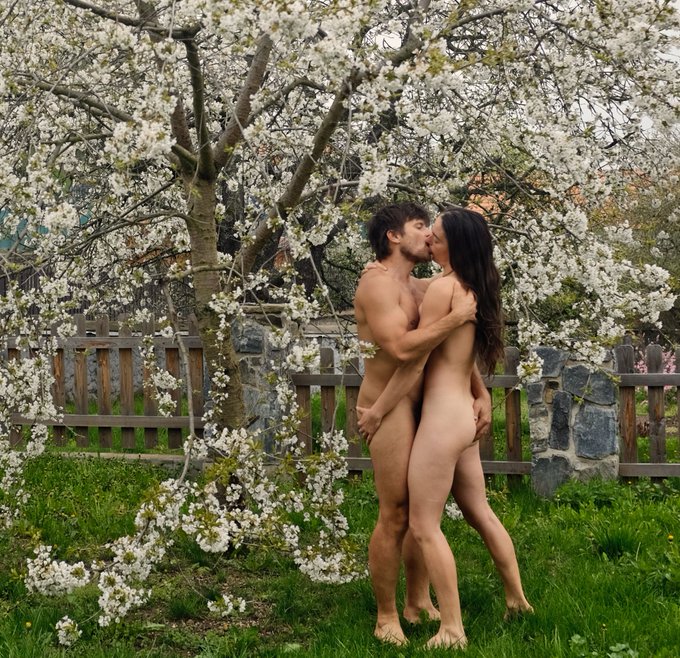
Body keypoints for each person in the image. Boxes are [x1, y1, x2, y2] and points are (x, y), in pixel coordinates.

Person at [357, 206, 533, 649]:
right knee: (398, 513)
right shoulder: (377, 284)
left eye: (433, 231)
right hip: (391, 405)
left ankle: (419, 603)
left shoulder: (426, 286)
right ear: (394, 236)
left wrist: (481, 390)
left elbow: (444, 350)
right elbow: (405, 351)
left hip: (434, 406)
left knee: (421, 515)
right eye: (421, 228)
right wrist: (378, 410)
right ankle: (386, 616)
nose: (428, 236)